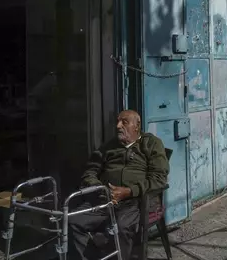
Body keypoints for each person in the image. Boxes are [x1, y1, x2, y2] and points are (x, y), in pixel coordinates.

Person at [69, 110, 169, 260]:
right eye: (117, 122)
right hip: (105, 199)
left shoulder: (151, 144)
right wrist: (99, 188)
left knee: (121, 229)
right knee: (73, 221)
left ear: (137, 126)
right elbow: (90, 171)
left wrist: (129, 191)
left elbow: (159, 178)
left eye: (124, 122)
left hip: (136, 202)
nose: (118, 126)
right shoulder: (108, 147)